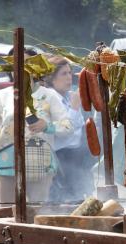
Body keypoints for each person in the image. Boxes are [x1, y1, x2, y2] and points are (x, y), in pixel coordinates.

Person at [0, 48, 74, 203]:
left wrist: (47, 126)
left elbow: (67, 127)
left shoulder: (49, 95)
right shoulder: (2, 96)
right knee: (7, 211)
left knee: (36, 211)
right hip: (8, 160)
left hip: (40, 161)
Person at [45, 55, 95, 202]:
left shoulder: (68, 96)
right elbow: (64, 132)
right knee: (66, 200)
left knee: (83, 197)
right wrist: (74, 108)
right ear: (52, 78)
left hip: (77, 156)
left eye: (69, 73)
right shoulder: (49, 98)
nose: (69, 78)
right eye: (63, 74)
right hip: (61, 157)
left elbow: (78, 126)